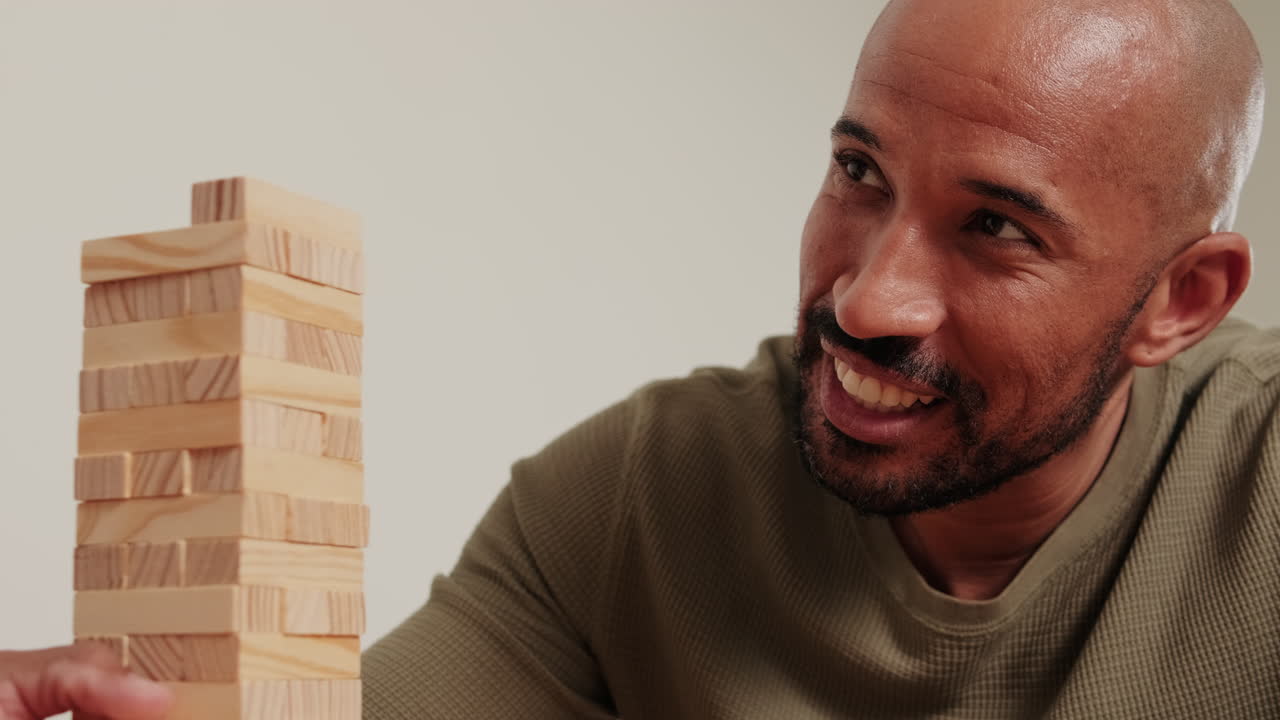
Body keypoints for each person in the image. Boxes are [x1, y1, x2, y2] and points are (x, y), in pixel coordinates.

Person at [5, 0, 1277, 717]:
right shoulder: (627, 498)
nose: (868, 296)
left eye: (994, 228)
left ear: (1180, 299)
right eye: (856, 174)